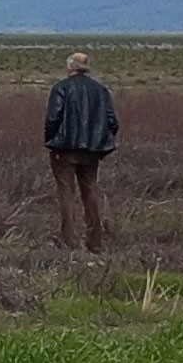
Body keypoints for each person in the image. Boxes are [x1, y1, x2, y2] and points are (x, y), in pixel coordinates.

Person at [42, 50, 118, 250]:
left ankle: (68, 240)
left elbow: (52, 119)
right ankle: (95, 241)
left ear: (70, 67)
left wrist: (51, 140)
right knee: (90, 192)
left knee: (66, 194)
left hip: (64, 150)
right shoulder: (100, 90)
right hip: (92, 152)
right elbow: (112, 122)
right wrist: (101, 143)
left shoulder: (61, 88)